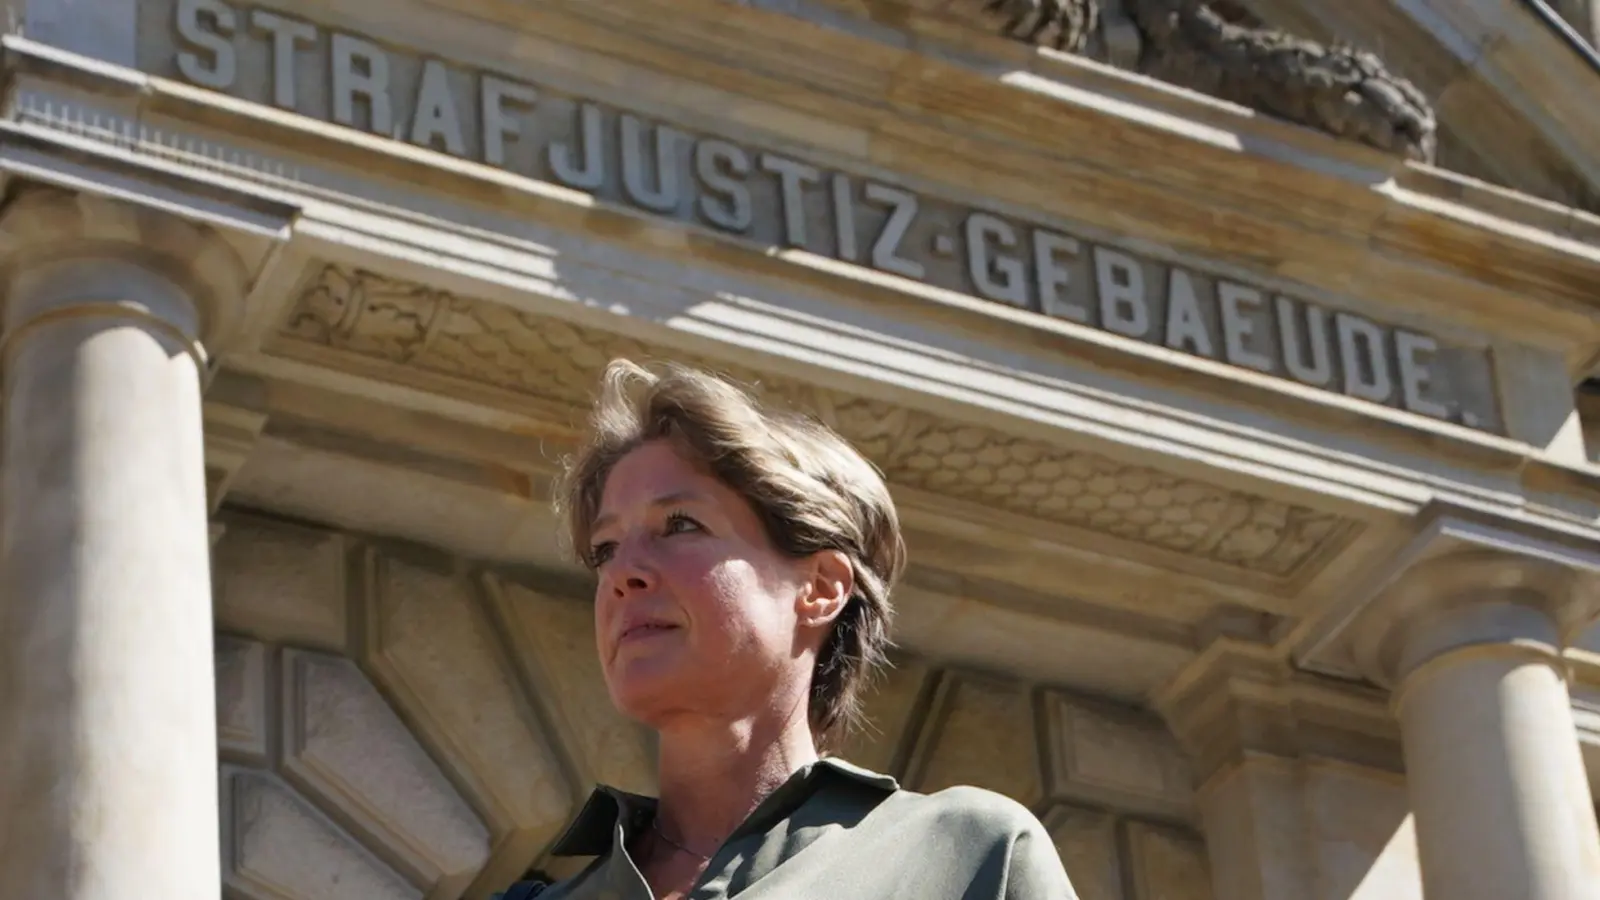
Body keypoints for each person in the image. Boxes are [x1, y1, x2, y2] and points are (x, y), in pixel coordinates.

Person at [497, 359, 1076, 900]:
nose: (623, 573)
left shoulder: (969, 855)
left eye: (679, 523)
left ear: (821, 587)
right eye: (605, 549)